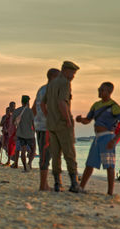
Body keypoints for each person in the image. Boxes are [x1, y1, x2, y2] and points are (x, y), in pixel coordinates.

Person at [76, 82, 120, 195]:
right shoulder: (96, 105)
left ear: (109, 92)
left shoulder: (114, 106)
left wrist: (114, 140)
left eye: (102, 90)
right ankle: (81, 188)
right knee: (89, 164)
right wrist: (81, 120)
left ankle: (110, 192)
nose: (99, 92)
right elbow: (88, 120)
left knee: (109, 166)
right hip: (97, 138)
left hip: (108, 137)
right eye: (99, 89)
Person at [41, 61, 81, 192]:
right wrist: (68, 121)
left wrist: (49, 116)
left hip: (51, 125)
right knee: (69, 154)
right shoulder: (65, 83)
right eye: (72, 73)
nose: (73, 76)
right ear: (65, 70)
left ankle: (58, 184)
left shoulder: (51, 83)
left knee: (56, 155)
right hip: (62, 124)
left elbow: (42, 104)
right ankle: (74, 184)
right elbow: (61, 103)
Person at [32, 68, 60, 190]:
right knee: (45, 156)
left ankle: (46, 184)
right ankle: (43, 185)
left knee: (48, 155)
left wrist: (34, 124)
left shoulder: (41, 89)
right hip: (47, 128)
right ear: (53, 77)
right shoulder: (52, 90)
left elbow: (33, 108)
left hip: (40, 127)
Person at [12, 95, 35, 172]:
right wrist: (35, 131)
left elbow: (13, 122)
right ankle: (29, 163)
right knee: (33, 149)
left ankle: (25, 168)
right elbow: (33, 123)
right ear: (28, 102)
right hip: (29, 134)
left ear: (21, 102)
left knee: (23, 151)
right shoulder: (30, 111)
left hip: (20, 134)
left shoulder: (16, 111)